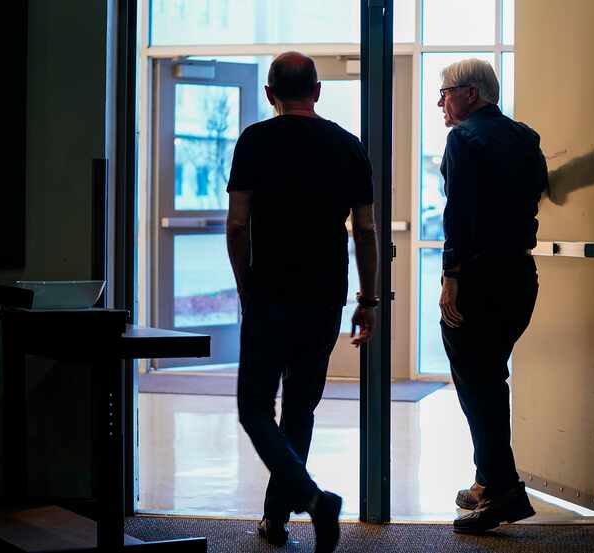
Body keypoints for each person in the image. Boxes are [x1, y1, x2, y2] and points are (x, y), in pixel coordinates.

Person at [226, 51, 378, 552]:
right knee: (300, 410)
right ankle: (277, 519)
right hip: (324, 296)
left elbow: (237, 223)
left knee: (254, 407)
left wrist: (246, 284)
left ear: (270, 94)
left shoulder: (254, 141)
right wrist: (368, 298)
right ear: (317, 91)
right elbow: (366, 229)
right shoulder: (348, 146)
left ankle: (311, 499)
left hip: (269, 292)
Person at [436, 58, 547, 534]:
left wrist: (451, 276)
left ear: (472, 94)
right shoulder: (526, 137)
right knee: (488, 377)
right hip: (520, 275)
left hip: (478, 277)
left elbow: (458, 214)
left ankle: (503, 491)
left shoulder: (462, 139)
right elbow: (536, 193)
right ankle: (488, 480)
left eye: (445, 92)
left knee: (478, 385)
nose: (440, 101)